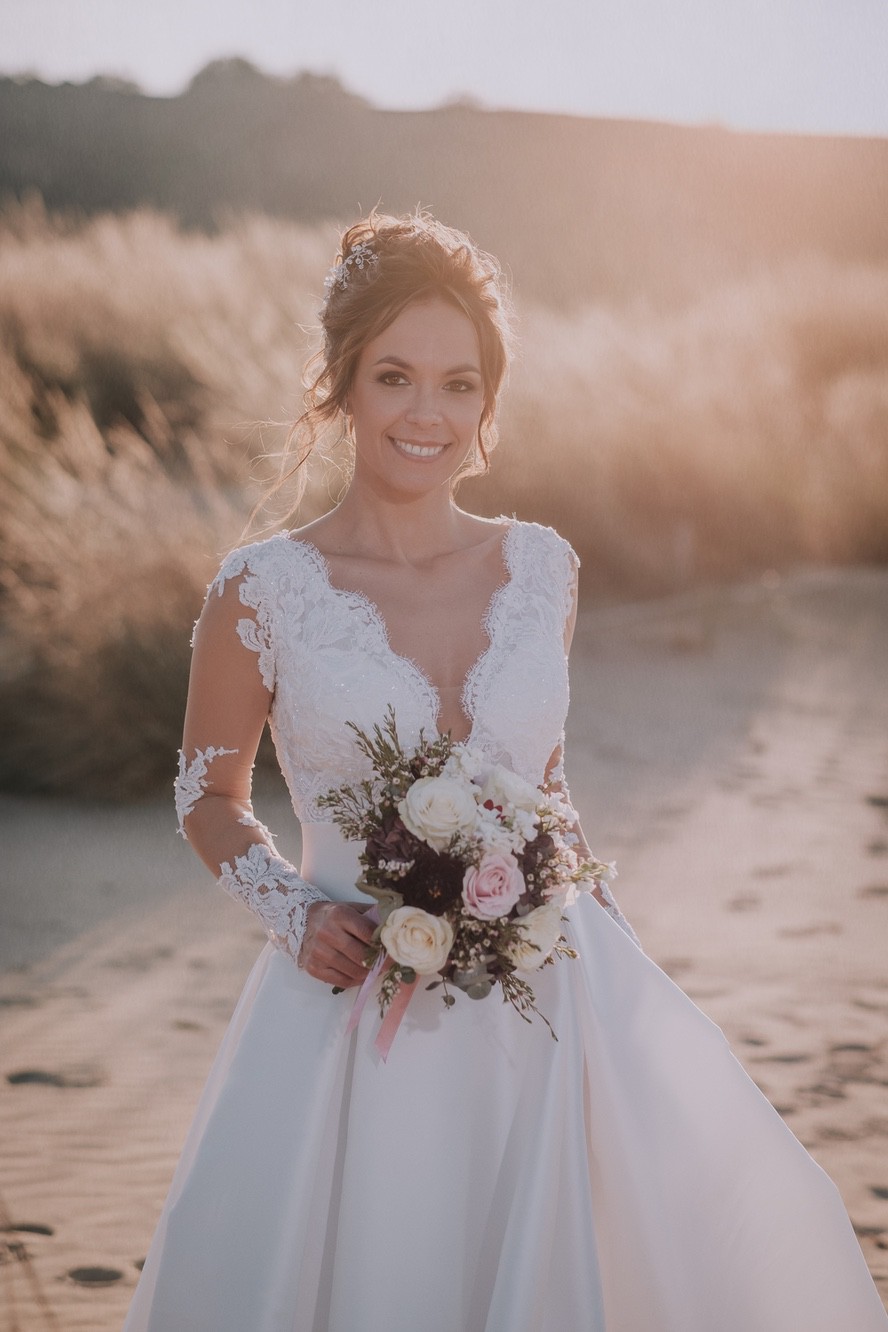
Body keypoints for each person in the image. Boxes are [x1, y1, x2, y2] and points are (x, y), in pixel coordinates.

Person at [123, 211, 886, 1332]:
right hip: (349, 998)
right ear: (342, 386)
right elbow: (209, 796)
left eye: (458, 383)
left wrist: (604, 935)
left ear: (488, 401)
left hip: (547, 990)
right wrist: (292, 911)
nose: (426, 414)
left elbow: (547, 787)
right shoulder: (263, 588)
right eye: (395, 377)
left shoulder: (542, 567)